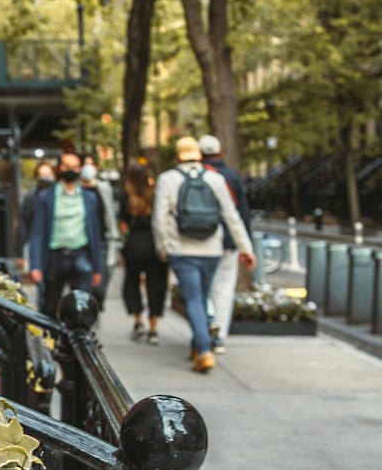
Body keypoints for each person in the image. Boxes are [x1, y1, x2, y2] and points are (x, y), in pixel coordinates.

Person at [152, 137, 255, 373]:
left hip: (182, 250)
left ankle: (203, 349)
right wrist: (246, 249)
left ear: (178, 156)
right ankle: (197, 345)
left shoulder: (167, 179)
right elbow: (232, 216)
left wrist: (163, 247)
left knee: (195, 299)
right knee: (203, 296)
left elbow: (159, 219)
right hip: (212, 250)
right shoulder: (215, 179)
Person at [28, 147, 106, 316]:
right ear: (60, 168)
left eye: (75, 166)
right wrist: (35, 265)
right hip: (54, 258)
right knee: (50, 306)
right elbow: (37, 232)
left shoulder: (90, 198)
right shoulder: (45, 197)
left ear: (79, 169)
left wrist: (98, 268)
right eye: (66, 165)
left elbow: (96, 234)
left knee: (82, 307)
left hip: (81, 257)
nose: (71, 169)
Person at [199, 132, 252, 351]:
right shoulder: (232, 176)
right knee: (223, 289)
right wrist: (245, 246)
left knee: (203, 288)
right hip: (229, 241)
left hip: (202, 240)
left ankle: (209, 321)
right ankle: (219, 334)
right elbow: (241, 213)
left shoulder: (199, 175)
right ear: (220, 152)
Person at [118, 163, 166, 343]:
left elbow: (122, 224)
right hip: (154, 243)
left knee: (132, 282)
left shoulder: (127, 197)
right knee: (157, 285)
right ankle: (153, 327)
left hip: (134, 244)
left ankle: (138, 321)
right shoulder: (155, 196)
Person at [79, 157, 119, 304]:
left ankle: (95, 306)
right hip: (82, 243)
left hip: (102, 242)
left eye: (91, 164)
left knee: (101, 285)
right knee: (84, 285)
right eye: (85, 164)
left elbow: (110, 213)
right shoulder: (76, 190)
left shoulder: (103, 189)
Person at [15, 158, 56, 265]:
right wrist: (19, 252)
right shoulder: (30, 199)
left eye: (49, 174)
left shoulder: (60, 197)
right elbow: (23, 225)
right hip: (37, 247)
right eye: (42, 174)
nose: (45, 178)